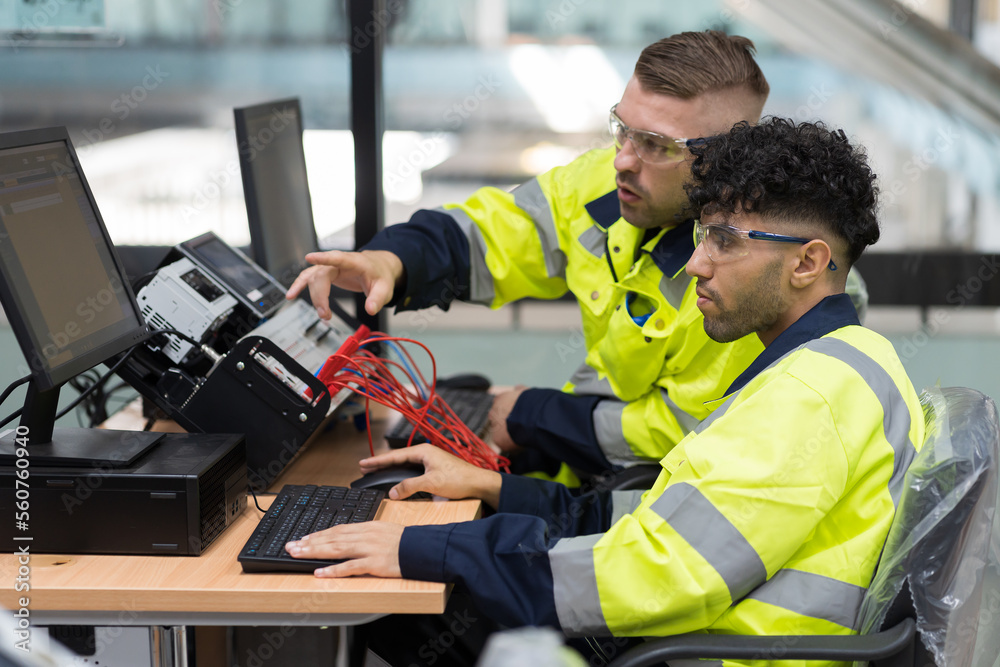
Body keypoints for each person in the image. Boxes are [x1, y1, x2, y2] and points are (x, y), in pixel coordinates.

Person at [286, 117, 923, 667]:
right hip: (704, 628)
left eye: (725, 241)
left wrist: (429, 546)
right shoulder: (837, 362)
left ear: (808, 262)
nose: (697, 264)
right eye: (703, 236)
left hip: (707, 650)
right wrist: (497, 491)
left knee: (413, 604)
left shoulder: (808, 397)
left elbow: (655, 574)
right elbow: (668, 527)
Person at [288, 31, 780, 479]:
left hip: (648, 510)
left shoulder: (750, 281)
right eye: (622, 128)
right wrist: (392, 261)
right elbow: (500, 232)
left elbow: (686, 434)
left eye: (655, 145)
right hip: (589, 468)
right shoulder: (608, 185)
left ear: (722, 160)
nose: (623, 159)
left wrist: (536, 417)